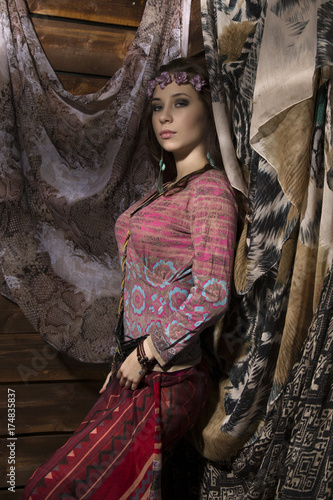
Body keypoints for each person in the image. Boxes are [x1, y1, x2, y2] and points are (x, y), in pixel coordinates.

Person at [22, 57, 238, 499]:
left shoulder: (210, 191)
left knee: (50, 491)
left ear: (209, 110)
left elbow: (214, 293)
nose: (165, 117)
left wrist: (147, 354)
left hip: (169, 377)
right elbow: (136, 286)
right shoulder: (166, 191)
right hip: (132, 368)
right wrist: (123, 361)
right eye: (158, 106)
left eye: (180, 103)